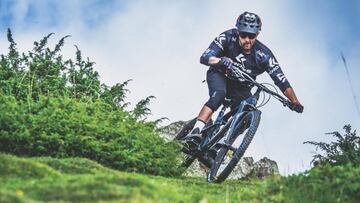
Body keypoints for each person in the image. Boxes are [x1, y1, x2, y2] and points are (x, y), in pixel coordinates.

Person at [185, 11, 304, 140]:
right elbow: (204, 57)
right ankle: (195, 131)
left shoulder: (264, 55)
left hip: (241, 87)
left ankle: (222, 143)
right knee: (219, 94)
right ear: (238, 31)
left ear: (257, 34)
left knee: (248, 111)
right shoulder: (227, 36)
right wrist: (220, 61)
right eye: (243, 35)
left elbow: (282, 81)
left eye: (251, 36)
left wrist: (294, 101)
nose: (247, 40)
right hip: (220, 74)